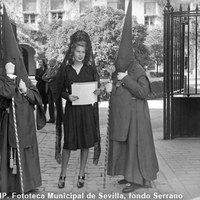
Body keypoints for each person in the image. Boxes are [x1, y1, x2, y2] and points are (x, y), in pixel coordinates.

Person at [56, 30, 101, 189]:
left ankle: (81, 173)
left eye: (83, 52)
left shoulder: (90, 70)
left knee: (85, 143)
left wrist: (97, 92)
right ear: (72, 52)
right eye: (78, 51)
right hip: (72, 111)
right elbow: (59, 90)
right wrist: (67, 96)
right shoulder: (66, 70)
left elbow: (97, 90)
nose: (81, 54)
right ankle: (63, 174)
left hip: (87, 112)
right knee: (68, 143)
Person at [107, 59, 159, 193]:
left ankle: (137, 180)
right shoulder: (122, 68)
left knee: (136, 145)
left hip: (137, 116)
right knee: (126, 145)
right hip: (125, 115)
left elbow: (143, 92)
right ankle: (128, 174)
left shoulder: (139, 70)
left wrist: (126, 79)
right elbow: (122, 90)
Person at [0, 62, 46, 193]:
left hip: (25, 123)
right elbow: (6, 94)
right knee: (7, 153)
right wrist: (9, 76)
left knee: (25, 152)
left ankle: (28, 183)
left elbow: (36, 97)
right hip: (8, 123)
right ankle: (8, 186)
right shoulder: (2, 76)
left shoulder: (23, 76)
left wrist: (26, 91)